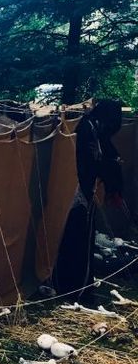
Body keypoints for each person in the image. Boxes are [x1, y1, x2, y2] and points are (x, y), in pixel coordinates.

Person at [52, 99, 123, 300]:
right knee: (75, 242)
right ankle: (73, 288)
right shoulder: (86, 128)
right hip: (77, 195)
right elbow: (90, 161)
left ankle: (79, 287)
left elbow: (103, 153)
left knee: (81, 241)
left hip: (84, 193)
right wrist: (109, 169)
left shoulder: (93, 128)